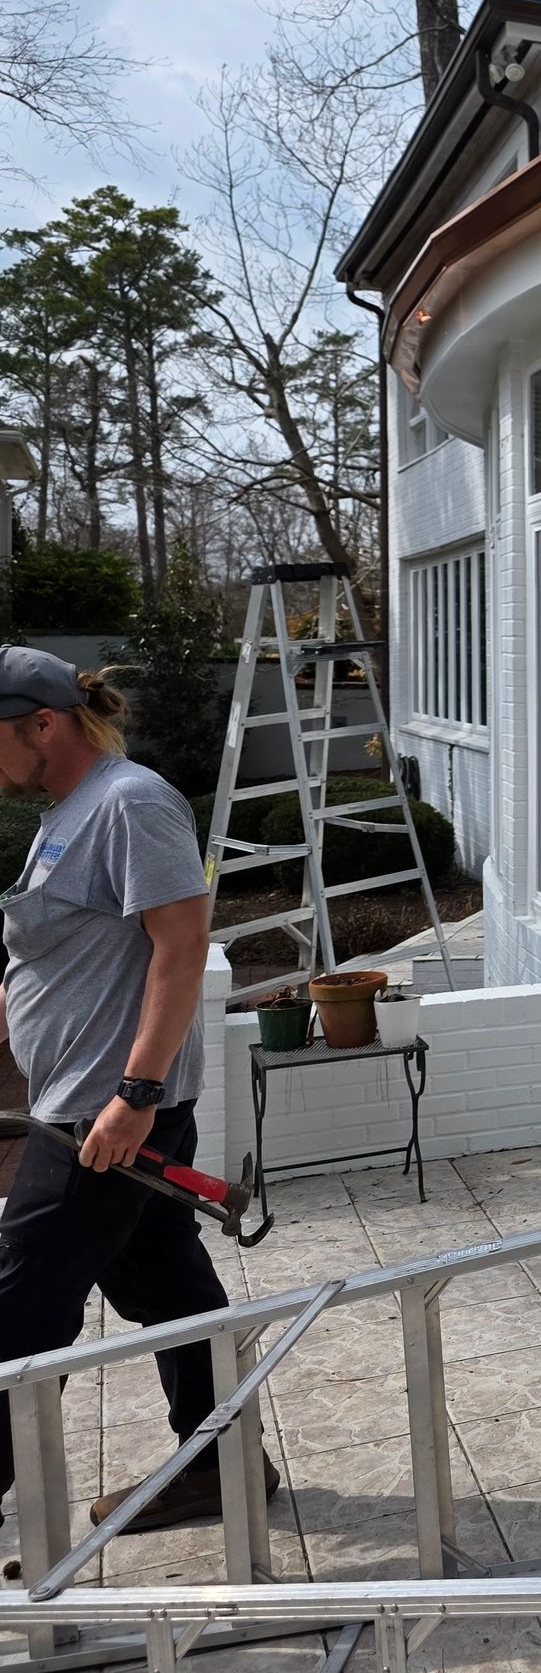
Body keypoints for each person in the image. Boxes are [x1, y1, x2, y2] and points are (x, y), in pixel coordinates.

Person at [0, 643, 278, 1532]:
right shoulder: (66, 812)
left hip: (105, 1120)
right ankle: (223, 1467)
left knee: (16, 1314)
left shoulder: (132, 803)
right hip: (81, 1108)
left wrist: (137, 1093)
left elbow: (182, 948)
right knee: (168, 1291)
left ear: (44, 725)